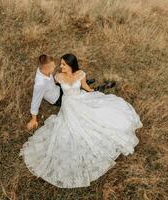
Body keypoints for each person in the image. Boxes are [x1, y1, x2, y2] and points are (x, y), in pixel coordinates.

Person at [19, 53, 142, 188]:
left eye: (63, 64)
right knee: (72, 126)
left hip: (79, 99)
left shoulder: (80, 74)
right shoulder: (57, 77)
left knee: (96, 115)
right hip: (67, 105)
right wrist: (33, 118)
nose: (59, 66)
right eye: (59, 64)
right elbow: (44, 92)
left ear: (71, 65)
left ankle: (99, 89)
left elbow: (86, 89)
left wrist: (92, 91)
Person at [26, 54, 115, 131]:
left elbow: (55, 79)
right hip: (58, 98)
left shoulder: (43, 69)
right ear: (46, 68)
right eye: (53, 67)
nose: (56, 67)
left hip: (58, 88)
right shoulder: (40, 85)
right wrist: (34, 119)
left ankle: (84, 82)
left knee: (73, 83)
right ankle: (96, 87)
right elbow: (35, 101)